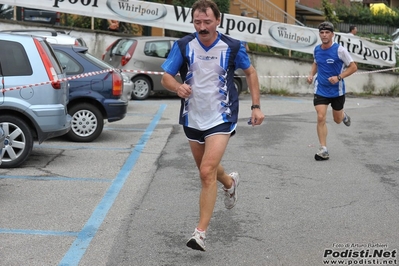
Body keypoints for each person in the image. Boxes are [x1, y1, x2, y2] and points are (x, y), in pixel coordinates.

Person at [161, 0, 264, 252]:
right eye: (198, 22)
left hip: (221, 116)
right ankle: (230, 183)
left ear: (218, 21)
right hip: (192, 117)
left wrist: (255, 106)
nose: (202, 27)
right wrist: (177, 87)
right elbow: (165, 77)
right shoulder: (184, 45)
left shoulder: (231, 46)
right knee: (210, 169)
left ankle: (200, 234)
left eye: (207, 22)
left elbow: (250, 73)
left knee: (206, 171)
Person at [307, 21, 357, 161]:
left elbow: (353, 67)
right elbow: (316, 62)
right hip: (321, 89)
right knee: (321, 117)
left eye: (327, 32)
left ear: (332, 34)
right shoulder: (317, 49)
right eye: (322, 33)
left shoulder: (340, 50)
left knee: (337, 120)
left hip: (337, 91)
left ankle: (343, 115)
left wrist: (339, 77)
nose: (324, 35)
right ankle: (323, 149)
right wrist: (311, 74)